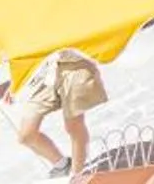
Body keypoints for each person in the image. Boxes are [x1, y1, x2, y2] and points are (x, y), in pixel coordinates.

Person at [7, 49, 106, 178]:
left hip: (76, 66)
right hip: (49, 72)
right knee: (26, 135)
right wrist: (16, 82)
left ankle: (77, 174)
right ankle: (62, 164)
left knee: (73, 125)